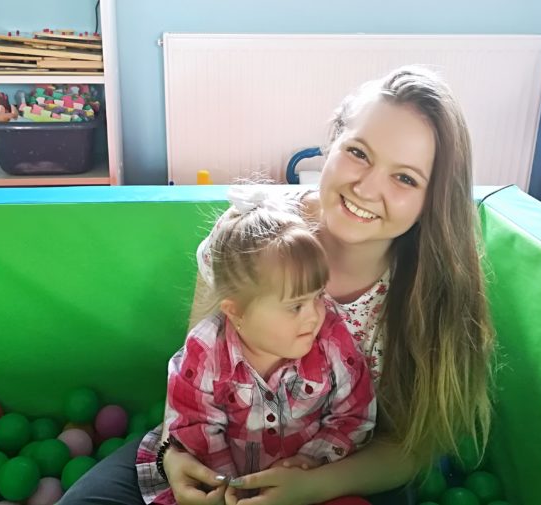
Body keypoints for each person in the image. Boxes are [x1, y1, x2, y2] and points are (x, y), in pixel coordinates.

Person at [59, 65, 494, 505]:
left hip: (344, 470)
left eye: (405, 178)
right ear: (332, 144)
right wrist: (174, 454)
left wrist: (311, 487)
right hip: (215, 449)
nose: (366, 187)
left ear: (433, 199)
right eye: (358, 153)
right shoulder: (251, 237)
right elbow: (197, 370)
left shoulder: (428, 288)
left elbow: (410, 446)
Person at [134, 187, 377, 505]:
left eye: (318, 295)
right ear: (236, 311)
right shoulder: (206, 352)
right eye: (295, 306)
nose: (315, 314)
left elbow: (353, 415)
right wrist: (229, 490)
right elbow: (196, 426)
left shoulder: (332, 340)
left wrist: (310, 461)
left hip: (305, 485)